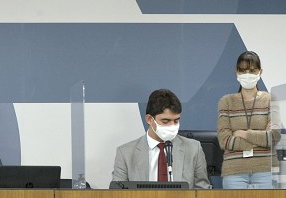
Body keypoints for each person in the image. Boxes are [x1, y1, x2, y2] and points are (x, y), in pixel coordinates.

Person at [112, 89, 211, 189]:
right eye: (165, 121)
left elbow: (203, 191)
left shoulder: (194, 149)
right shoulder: (125, 153)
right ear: (149, 119)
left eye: (176, 121)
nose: (172, 126)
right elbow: (117, 194)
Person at [217, 51, 280, 189]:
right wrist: (261, 138)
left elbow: (274, 137)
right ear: (236, 72)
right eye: (243, 70)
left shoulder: (270, 99)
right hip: (234, 171)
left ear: (260, 72)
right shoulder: (226, 102)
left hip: (266, 170)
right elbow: (224, 140)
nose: (247, 74)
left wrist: (242, 134)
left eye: (252, 70)